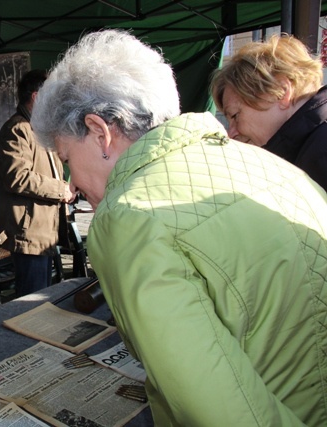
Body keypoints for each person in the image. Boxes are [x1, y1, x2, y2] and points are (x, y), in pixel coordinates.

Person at [30, 29, 327, 426]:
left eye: (67, 157)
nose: (74, 182)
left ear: (100, 132)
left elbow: (222, 412)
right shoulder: (271, 163)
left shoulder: (127, 218)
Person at [0, 69, 74, 296]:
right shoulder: (18, 129)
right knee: (32, 301)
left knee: (42, 297)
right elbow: (17, 177)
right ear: (37, 97)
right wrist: (61, 189)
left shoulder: (37, 129)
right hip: (29, 231)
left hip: (42, 227)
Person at [210, 34, 327, 190]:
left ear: (281, 91)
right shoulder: (306, 150)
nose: (231, 134)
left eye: (235, 115)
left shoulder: (320, 152)